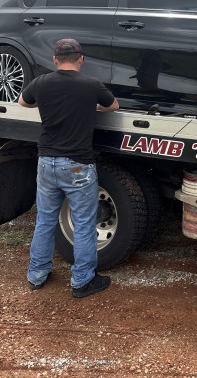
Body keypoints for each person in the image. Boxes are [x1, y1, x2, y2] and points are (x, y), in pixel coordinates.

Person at [18, 38, 119, 298]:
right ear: (81, 59)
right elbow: (113, 106)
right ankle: (82, 281)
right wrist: (91, 104)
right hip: (77, 165)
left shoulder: (41, 82)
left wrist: (45, 103)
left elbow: (23, 102)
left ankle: (37, 275)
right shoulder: (91, 85)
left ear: (55, 60)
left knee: (45, 220)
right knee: (84, 223)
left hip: (46, 162)